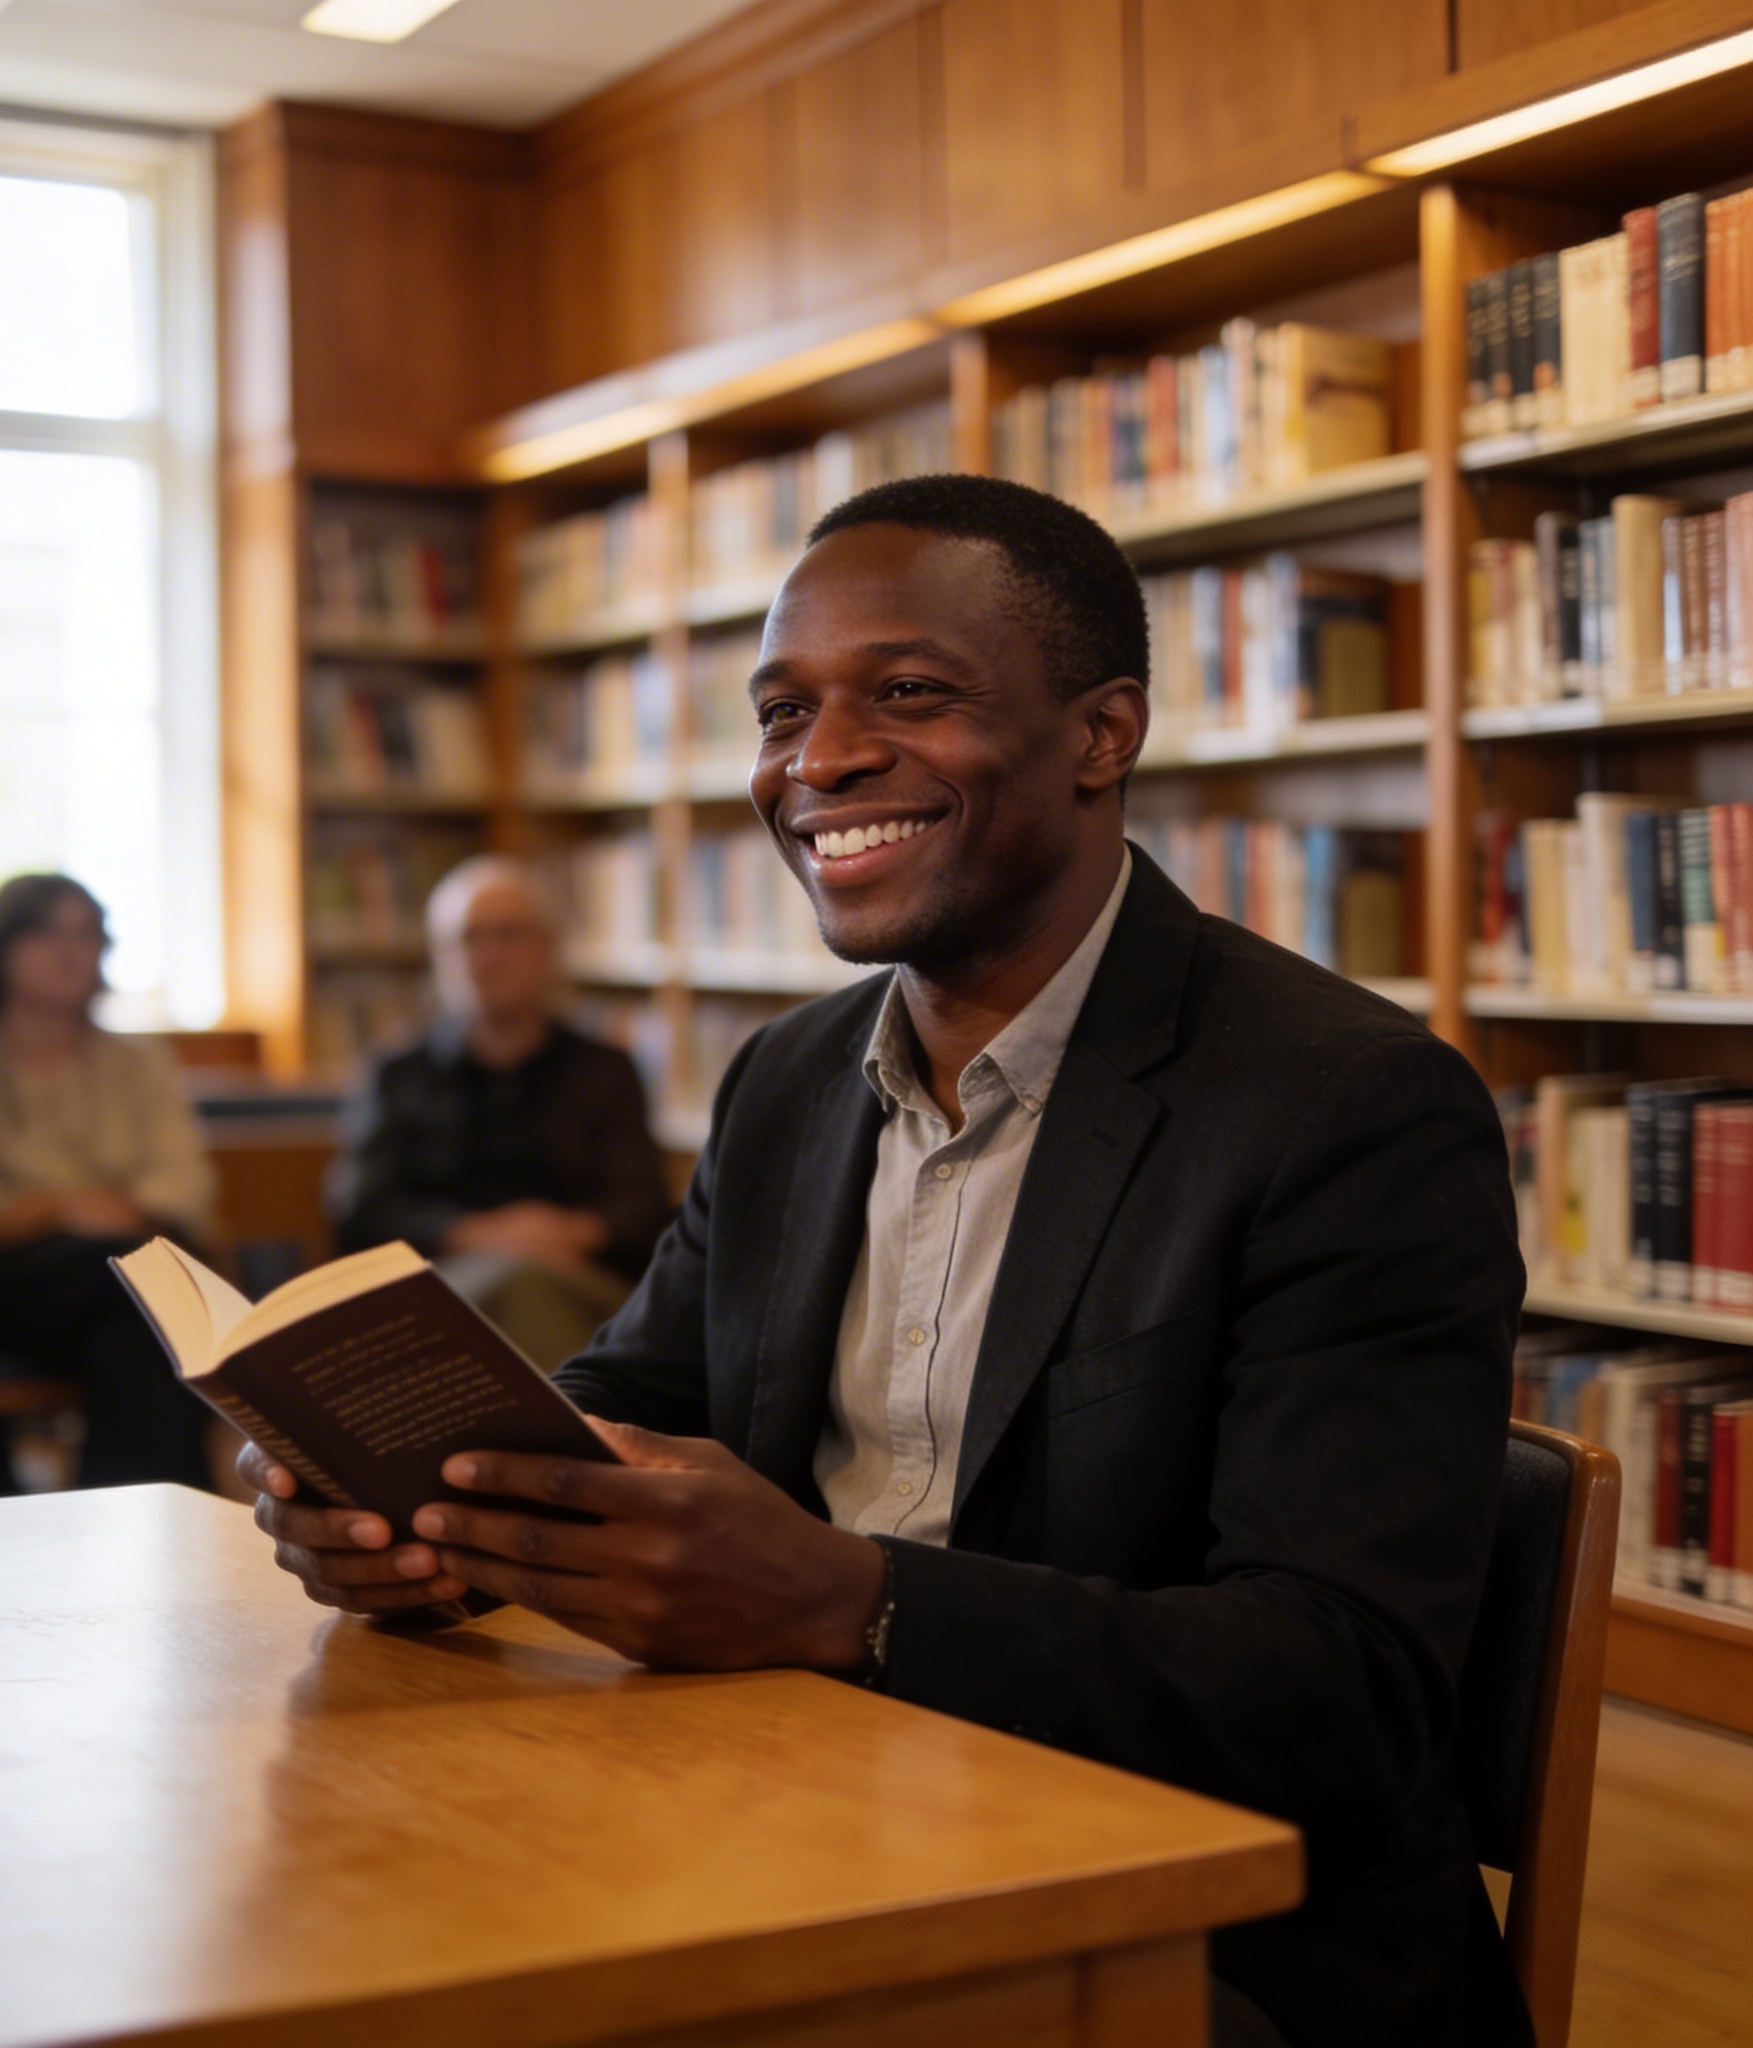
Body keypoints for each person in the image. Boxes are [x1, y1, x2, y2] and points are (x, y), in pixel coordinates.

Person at [247, 477, 1527, 2048]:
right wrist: (424, 1508)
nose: (821, 760)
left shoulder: (1344, 1106)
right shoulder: (788, 1080)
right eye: (783, 710)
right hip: (793, 1808)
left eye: (908, 694)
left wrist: (850, 1602)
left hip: (1195, 1928)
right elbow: (619, 1392)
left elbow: (1346, 1689)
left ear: (1102, 734)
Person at [0, 873, 220, 1490]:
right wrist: (75, 1207)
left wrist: (48, 1207)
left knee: (129, 1324)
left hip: (124, 1291)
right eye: (46, 932)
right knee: (148, 1295)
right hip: (4, 1292)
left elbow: (186, 1185)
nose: (72, 951)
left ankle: (132, 1511)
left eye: (88, 934)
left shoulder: (139, 1063)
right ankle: (167, 1509)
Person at [328, 856, 670, 1368]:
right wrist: (480, 1235)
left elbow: (645, 1207)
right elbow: (361, 1210)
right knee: (509, 1288)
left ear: (548, 949)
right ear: (440, 956)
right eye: (468, 938)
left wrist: (559, 1233)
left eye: (508, 935)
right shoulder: (396, 1075)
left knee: (530, 1290)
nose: (487, 957)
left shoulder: (606, 1070)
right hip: (439, 1291)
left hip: (580, 1288)